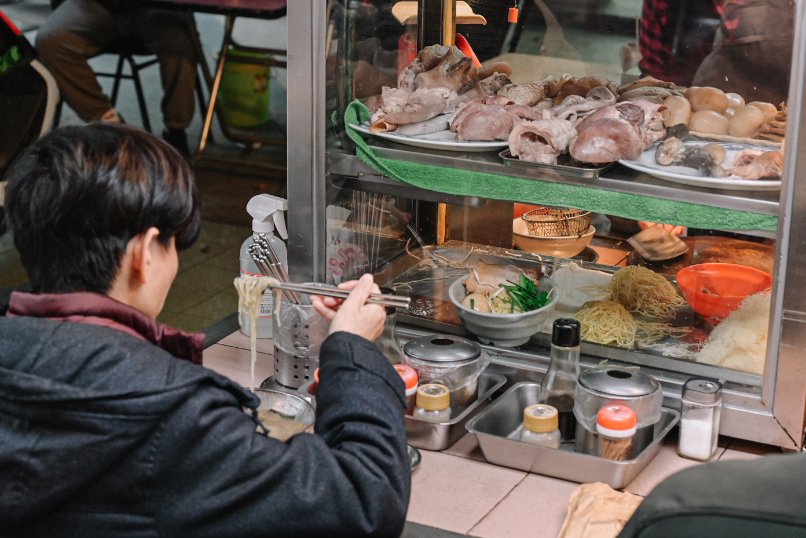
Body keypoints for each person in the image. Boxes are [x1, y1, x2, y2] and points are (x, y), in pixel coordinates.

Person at [0, 123, 410, 537]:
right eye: (173, 245)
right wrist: (353, 349)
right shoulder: (170, 414)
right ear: (144, 254)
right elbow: (364, 503)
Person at [35, 0, 198, 156]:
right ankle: (110, 125)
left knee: (181, 44)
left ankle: (176, 130)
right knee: (50, 41)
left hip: (157, 8)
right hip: (95, 6)